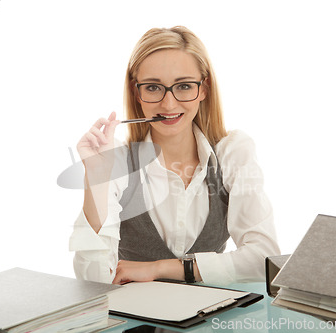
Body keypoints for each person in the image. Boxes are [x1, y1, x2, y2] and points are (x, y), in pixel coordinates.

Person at [69, 26, 280, 286]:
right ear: (137, 92)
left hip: (212, 319)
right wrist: (97, 179)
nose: (169, 105)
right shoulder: (118, 162)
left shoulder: (232, 151)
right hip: (137, 321)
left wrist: (162, 268)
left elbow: (265, 260)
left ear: (204, 89)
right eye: (154, 87)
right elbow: (94, 282)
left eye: (183, 86)